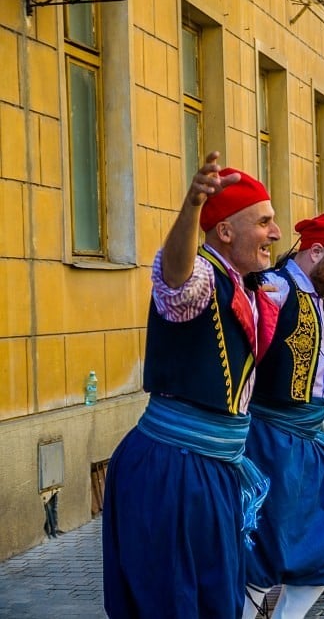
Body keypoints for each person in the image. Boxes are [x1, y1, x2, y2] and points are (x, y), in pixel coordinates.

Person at [102, 152, 281, 618]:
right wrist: (191, 208)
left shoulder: (246, 285)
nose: (275, 234)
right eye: (264, 223)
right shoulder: (203, 274)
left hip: (212, 468)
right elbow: (174, 276)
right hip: (174, 469)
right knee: (174, 602)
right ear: (225, 231)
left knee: (216, 599)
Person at [241, 212, 324, 619]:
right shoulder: (275, 289)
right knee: (268, 544)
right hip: (271, 436)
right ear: (314, 252)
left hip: (310, 436)